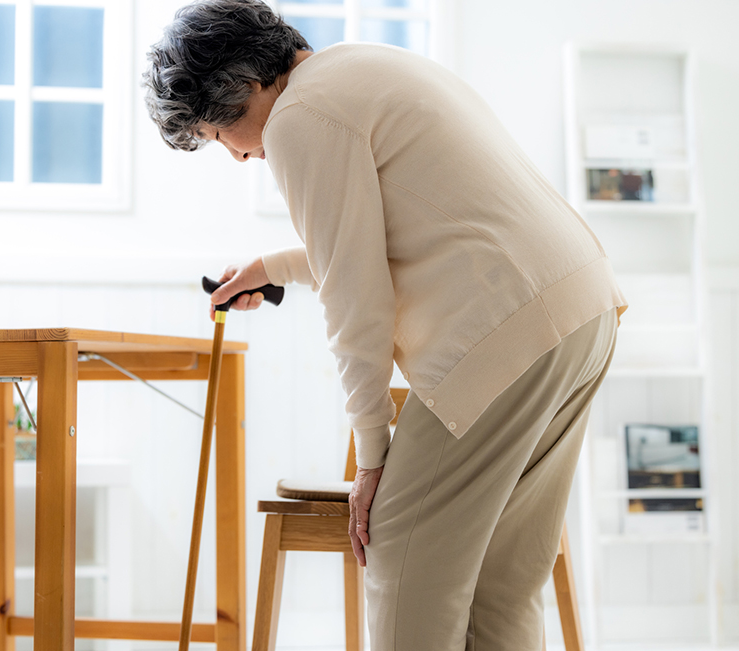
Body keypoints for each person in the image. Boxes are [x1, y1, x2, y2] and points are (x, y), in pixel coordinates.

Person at [144, 2, 628, 648]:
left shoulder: (298, 118)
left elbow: (356, 296)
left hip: (504, 330)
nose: (234, 156)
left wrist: (372, 456)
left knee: (399, 552)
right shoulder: (364, 66)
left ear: (243, 86)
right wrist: (275, 268)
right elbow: (385, 241)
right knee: (503, 582)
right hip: (579, 310)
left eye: (216, 134)